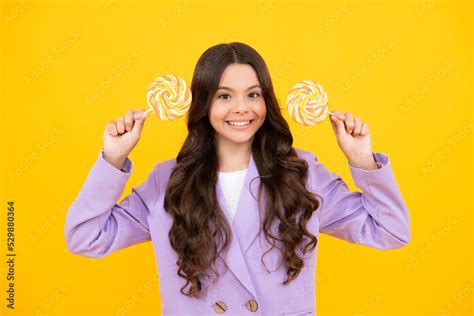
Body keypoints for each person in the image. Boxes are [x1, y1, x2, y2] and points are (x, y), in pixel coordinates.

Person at [64, 42, 410, 316]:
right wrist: (113, 158)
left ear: (267, 101)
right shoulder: (167, 180)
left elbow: (391, 231)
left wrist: (361, 159)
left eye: (253, 94)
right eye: (224, 96)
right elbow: (85, 237)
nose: (241, 108)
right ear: (202, 103)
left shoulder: (302, 173)